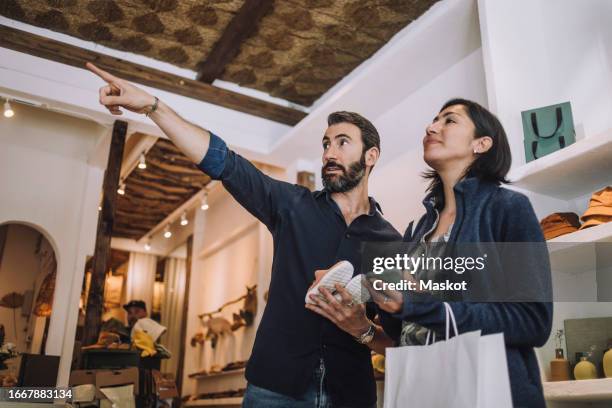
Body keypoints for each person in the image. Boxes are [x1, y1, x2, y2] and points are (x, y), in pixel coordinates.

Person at [87, 62, 401, 408]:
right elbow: (224, 161)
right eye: (326, 143)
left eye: (343, 143)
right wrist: (152, 107)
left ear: (371, 156)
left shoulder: (390, 242)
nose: (329, 153)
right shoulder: (292, 205)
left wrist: (362, 328)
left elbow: (400, 341)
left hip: (350, 395)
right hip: (274, 390)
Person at [367, 98, 553, 407]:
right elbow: (406, 332)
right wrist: (385, 300)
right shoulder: (420, 229)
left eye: (449, 121)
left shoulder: (508, 208)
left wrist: (423, 304)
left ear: (481, 143)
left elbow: (534, 321)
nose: (431, 127)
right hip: (422, 388)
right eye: (433, 120)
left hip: (492, 389)